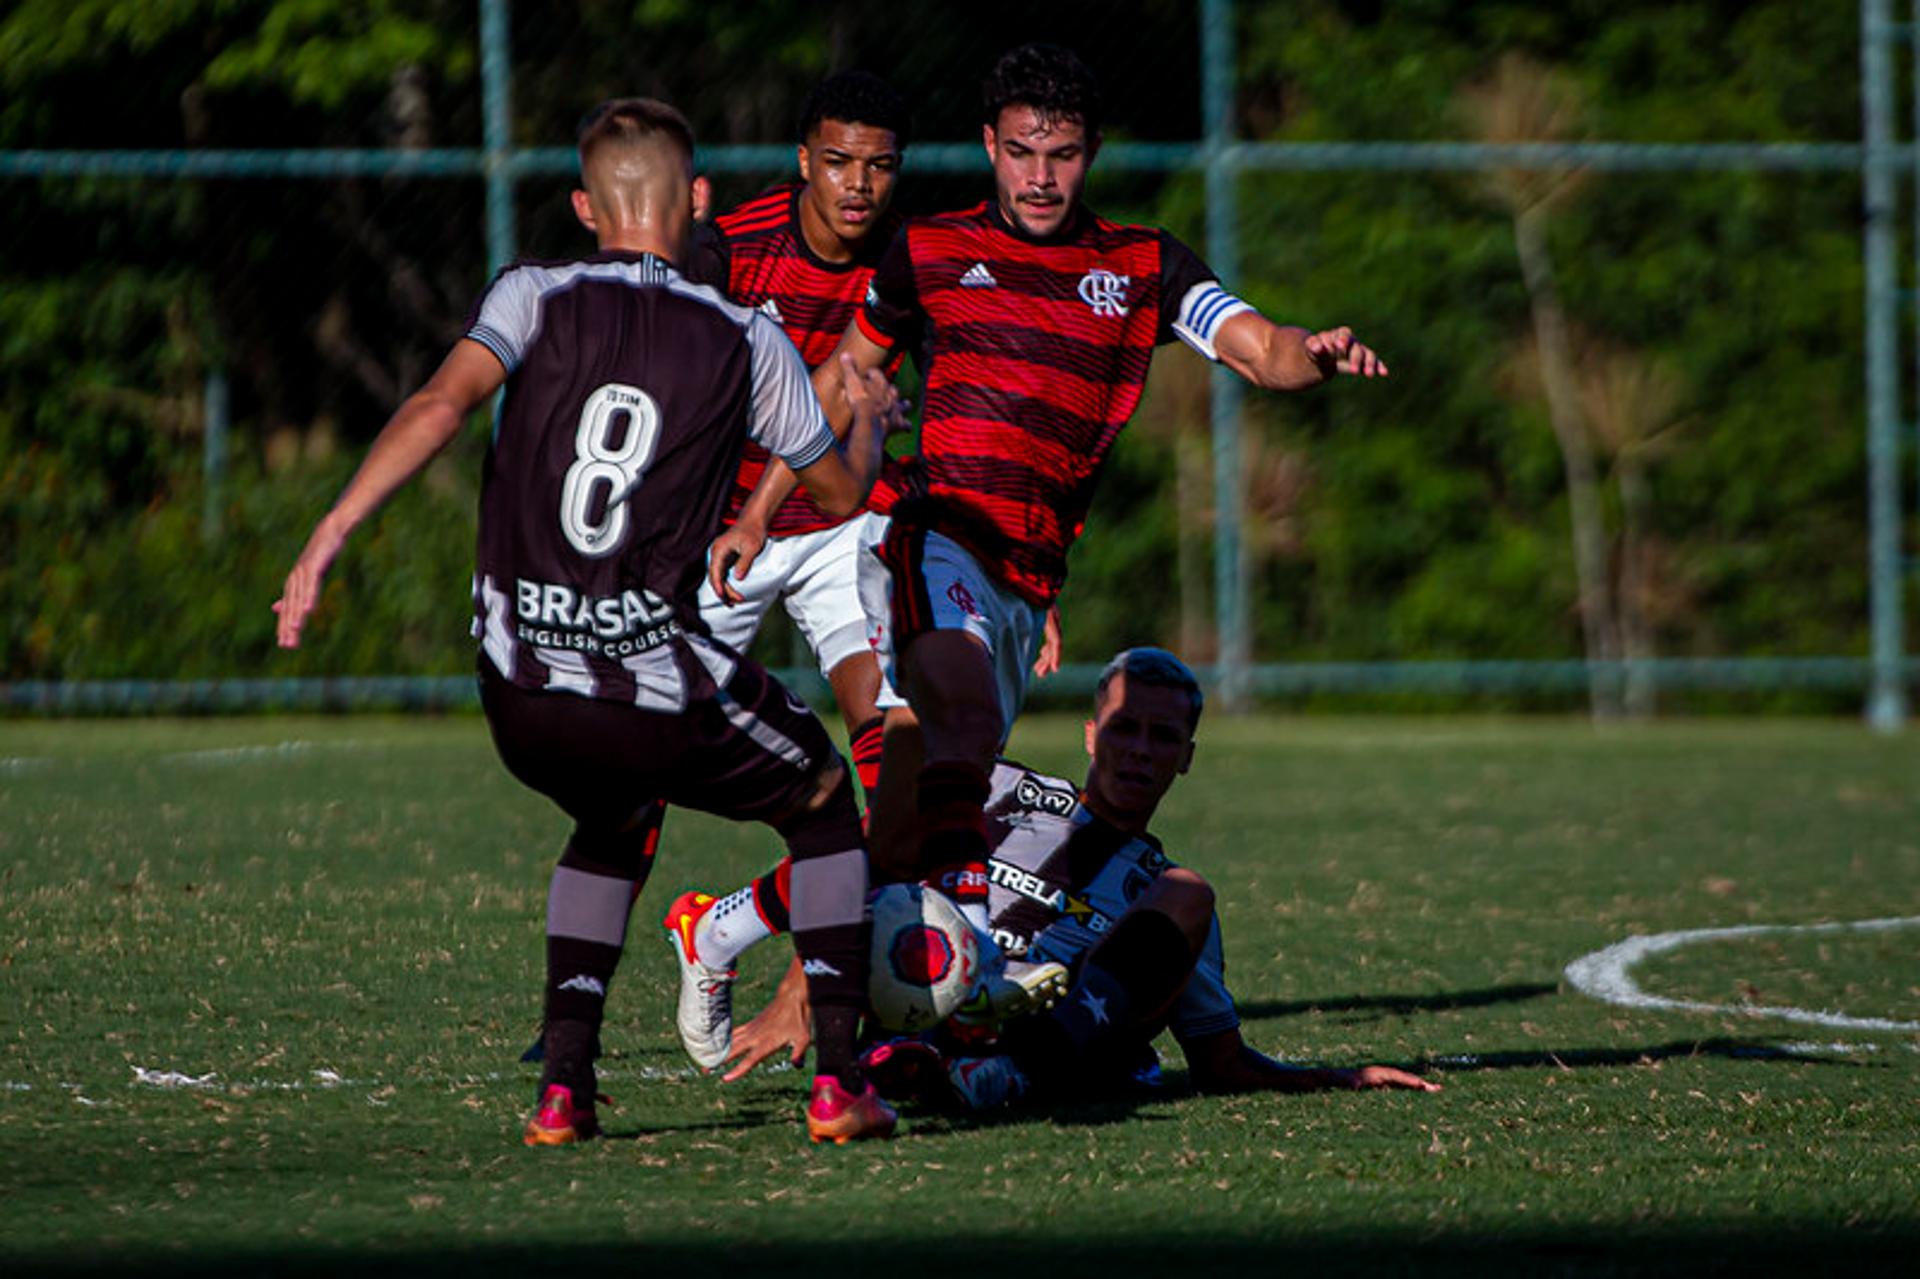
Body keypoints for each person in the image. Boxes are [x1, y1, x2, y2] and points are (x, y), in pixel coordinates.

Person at [272, 97, 901, 1146]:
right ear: (700, 202)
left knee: (614, 815)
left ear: (582, 207)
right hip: (642, 687)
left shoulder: (530, 294)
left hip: (517, 692)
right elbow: (837, 497)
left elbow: (437, 403)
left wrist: (332, 527)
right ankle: (841, 1081)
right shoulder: (751, 337)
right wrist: (870, 424)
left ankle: (564, 1088)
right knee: (830, 799)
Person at [713, 43, 1389, 955]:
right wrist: (757, 513)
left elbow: (1256, 346)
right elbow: (838, 384)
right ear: (990, 145)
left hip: (1024, 569)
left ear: (1093, 153)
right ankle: (971, 953)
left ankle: (742, 941)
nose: (1040, 177)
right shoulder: (931, 249)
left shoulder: (1143, 266)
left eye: (1062, 155)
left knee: (912, 822)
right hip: (929, 533)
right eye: (1022, 152)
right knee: (961, 716)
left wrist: (1310, 351)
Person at [859, 647, 1442, 1109]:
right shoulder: (1004, 789)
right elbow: (878, 846)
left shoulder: (1167, 897)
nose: (1140, 750)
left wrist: (1341, 1077)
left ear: (1186, 757)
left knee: (1190, 892)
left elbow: (1221, 1064)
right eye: (1124, 728)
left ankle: (1007, 1073)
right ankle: (910, 1049)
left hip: (1039, 1047)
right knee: (916, 797)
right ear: (1091, 734)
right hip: (927, 991)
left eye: (1161, 737)